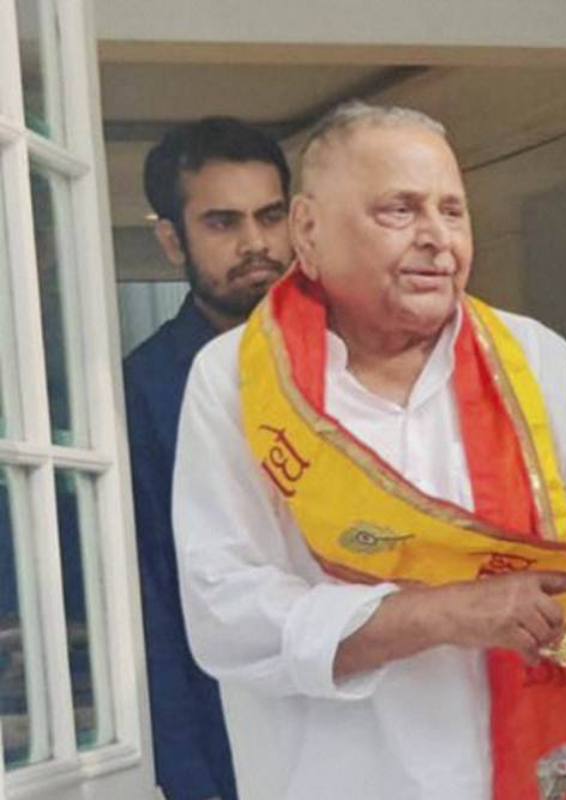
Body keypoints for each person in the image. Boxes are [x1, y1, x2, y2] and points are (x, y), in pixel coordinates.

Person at [169, 101, 566, 799]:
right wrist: (446, 614)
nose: (437, 238)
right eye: (399, 210)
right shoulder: (240, 380)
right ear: (308, 230)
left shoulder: (528, 357)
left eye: (452, 210)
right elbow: (228, 612)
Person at [123, 116, 293, 800]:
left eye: (271, 216)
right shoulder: (147, 389)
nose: (256, 244)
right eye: (223, 222)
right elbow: (150, 601)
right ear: (172, 241)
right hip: (230, 731)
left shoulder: (358, 350)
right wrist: (193, 780)